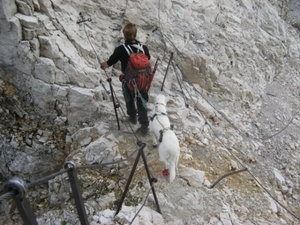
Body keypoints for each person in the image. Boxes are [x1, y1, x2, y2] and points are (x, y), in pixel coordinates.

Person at [101, 23, 151, 135]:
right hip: (143, 81)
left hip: (128, 81)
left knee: (129, 98)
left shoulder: (120, 49)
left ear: (124, 35)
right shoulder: (144, 48)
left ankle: (132, 117)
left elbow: (110, 62)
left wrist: (103, 65)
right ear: (136, 34)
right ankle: (144, 127)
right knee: (141, 102)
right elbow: (148, 59)